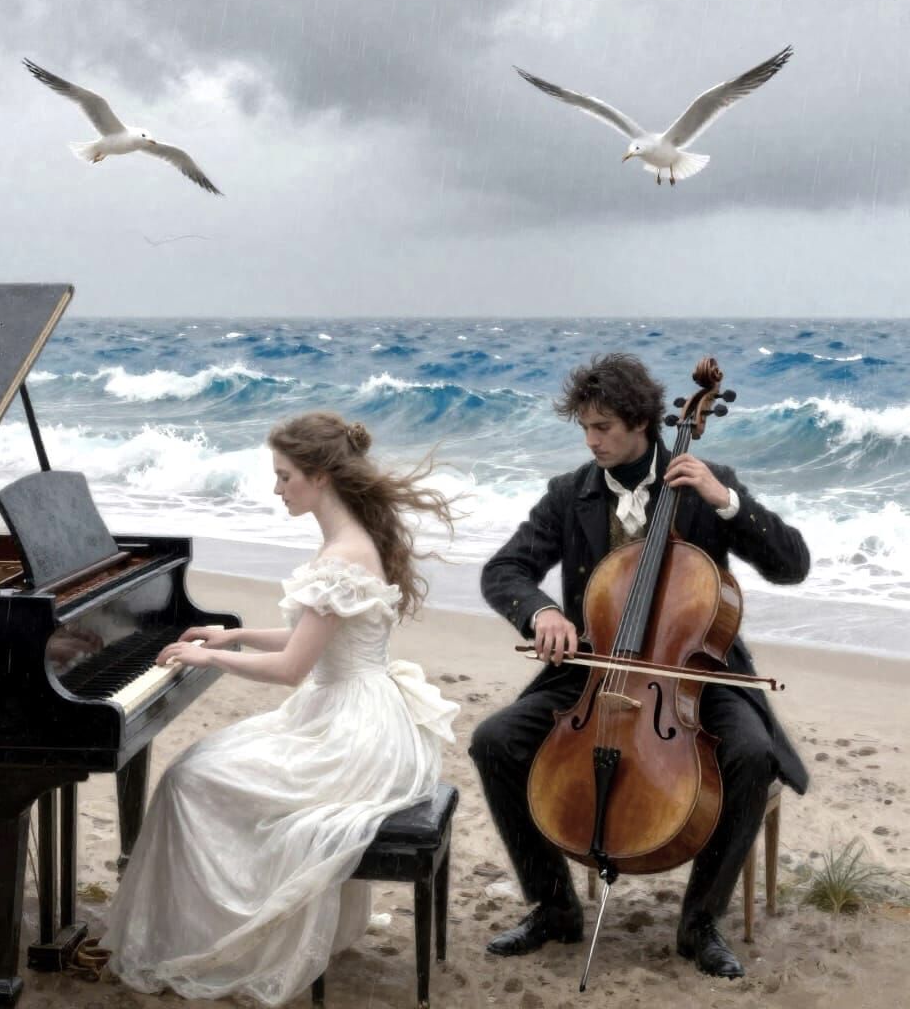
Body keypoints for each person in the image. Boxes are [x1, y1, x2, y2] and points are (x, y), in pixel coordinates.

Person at [469, 353, 810, 979]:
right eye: (585, 428)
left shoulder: (705, 482)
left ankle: (700, 922)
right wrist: (542, 613)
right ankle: (552, 908)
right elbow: (504, 571)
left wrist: (727, 501)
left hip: (694, 673)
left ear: (642, 423)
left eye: (603, 428)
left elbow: (793, 564)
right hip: (594, 674)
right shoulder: (571, 494)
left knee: (752, 754)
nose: (592, 440)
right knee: (494, 740)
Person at [102, 411, 459, 1005]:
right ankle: (212, 919)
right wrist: (231, 637)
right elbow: (315, 638)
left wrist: (209, 660)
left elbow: (294, 669)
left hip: (352, 730)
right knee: (198, 770)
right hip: (353, 709)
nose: (276, 488)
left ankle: (225, 932)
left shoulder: (341, 557)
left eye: (284, 475)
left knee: (191, 778)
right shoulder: (348, 544)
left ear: (319, 477)